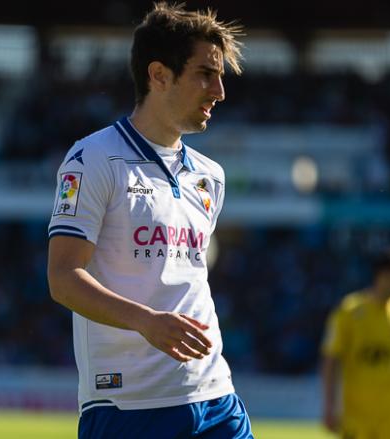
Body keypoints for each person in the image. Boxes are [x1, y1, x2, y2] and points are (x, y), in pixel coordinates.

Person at [46, 3, 252, 438]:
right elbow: (63, 278)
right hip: (129, 406)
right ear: (158, 75)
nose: (219, 91)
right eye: (204, 73)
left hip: (215, 398)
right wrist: (146, 321)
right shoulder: (93, 159)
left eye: (220, 77)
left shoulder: (210, 177)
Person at [321, 247, 390, 439]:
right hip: (356, 416)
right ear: (385, 275)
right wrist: (329, 406)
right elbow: (330, 360)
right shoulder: (349, 310)